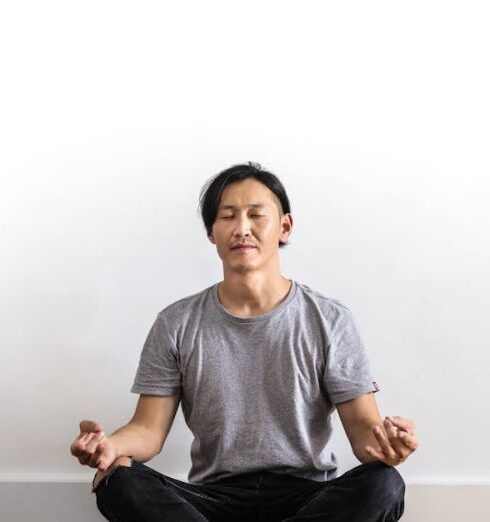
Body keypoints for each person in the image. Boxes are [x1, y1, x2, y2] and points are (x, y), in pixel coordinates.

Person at [70, 162, 418, 521]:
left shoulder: (330, 320)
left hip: (307, 497)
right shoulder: (176, 323)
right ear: (211, 232)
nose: (242, 229)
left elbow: (364, 428)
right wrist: (108, 446)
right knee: (116, 478)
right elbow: (148, 430)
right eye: (228, 216)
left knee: (384, 483)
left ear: (285, 226)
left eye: (256, 215)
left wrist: (387, 445)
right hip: (214, 500)